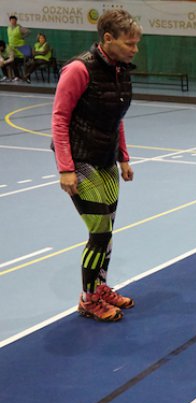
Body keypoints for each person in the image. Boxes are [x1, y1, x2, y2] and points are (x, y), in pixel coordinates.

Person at [52, 9, 141, 322]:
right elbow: (60, 118)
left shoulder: (120, 70)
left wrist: (124, 157)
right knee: (99, 232)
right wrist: (65, 167)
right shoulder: (78, 70)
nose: (135, 49)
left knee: (108, 230)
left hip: (106, 162)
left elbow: (115, 118)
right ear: (108, 39)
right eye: (129, 43)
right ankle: (88, 300)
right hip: (80, 161)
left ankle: (99, 286)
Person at [7, 15, 29, 80]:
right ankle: (9, 76)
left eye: (14, 20)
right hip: (11, 48)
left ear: (16, 21)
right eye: (11, 20)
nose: (13, 21)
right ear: (10, 21)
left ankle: (17, 76)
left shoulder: (19, 27)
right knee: (8, 60)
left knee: (13, 61)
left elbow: (28, 32)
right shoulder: (8, 28)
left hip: (19, 49)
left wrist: (22, 37)